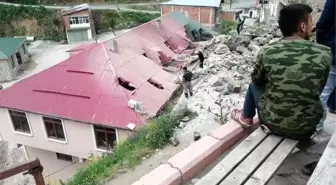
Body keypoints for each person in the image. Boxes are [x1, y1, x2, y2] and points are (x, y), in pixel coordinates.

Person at [231, 4, 331, 174]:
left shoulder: (267, 51)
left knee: (255, 82)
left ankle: (246, 117)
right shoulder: (324, 53)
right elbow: (318, 88)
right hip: (307, 128)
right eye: (311, 22)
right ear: (303, 26)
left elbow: (257, 80)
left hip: (272, 124)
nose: (312, 27)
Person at [315, 0, 336, 130]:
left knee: (324, 91)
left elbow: (322, 24)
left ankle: (317, 127)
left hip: (334, 49)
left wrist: (323, 46)